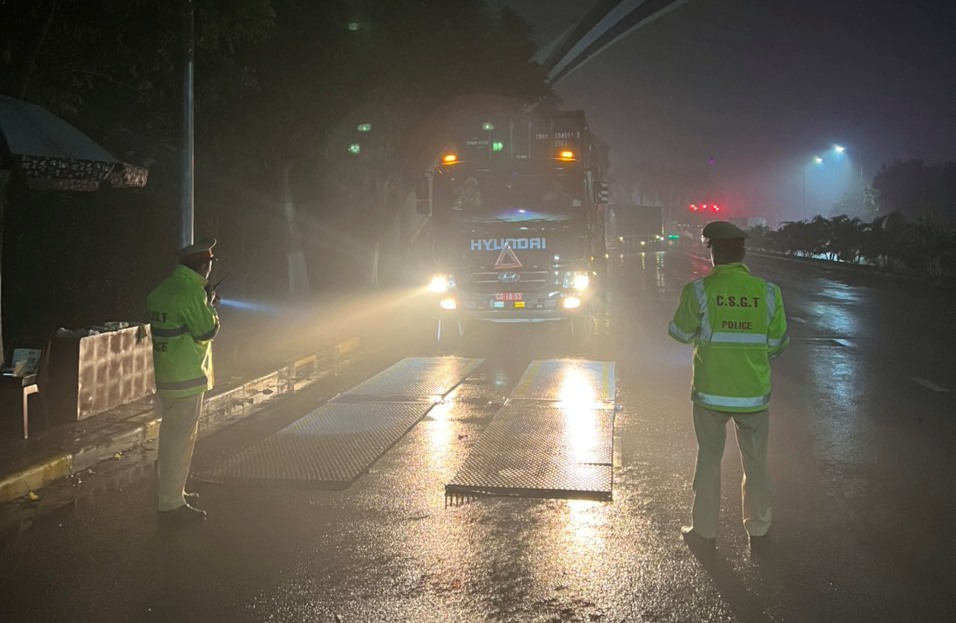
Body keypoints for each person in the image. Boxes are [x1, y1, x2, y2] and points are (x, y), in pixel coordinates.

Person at [667, 221, 789, 555]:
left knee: (708, 460)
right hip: (753, 395)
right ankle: (759, 532)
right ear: (743, 252)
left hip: (710, 394)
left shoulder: (699, 291)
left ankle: (704, 532)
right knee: (756, 463)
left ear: (713, 254)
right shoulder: (768, 292)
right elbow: (777, 343)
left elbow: (679, 333)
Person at [147, 238, 221, 524]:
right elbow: (206, 332)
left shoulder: (162, 290)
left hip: (166, 376)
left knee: (170, 440)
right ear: (203, 267)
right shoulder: (192, 293)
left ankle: (172, 492)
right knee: (180, 443)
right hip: (188, 377)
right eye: (209, 265)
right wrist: (210, 306)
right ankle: (171, 505)